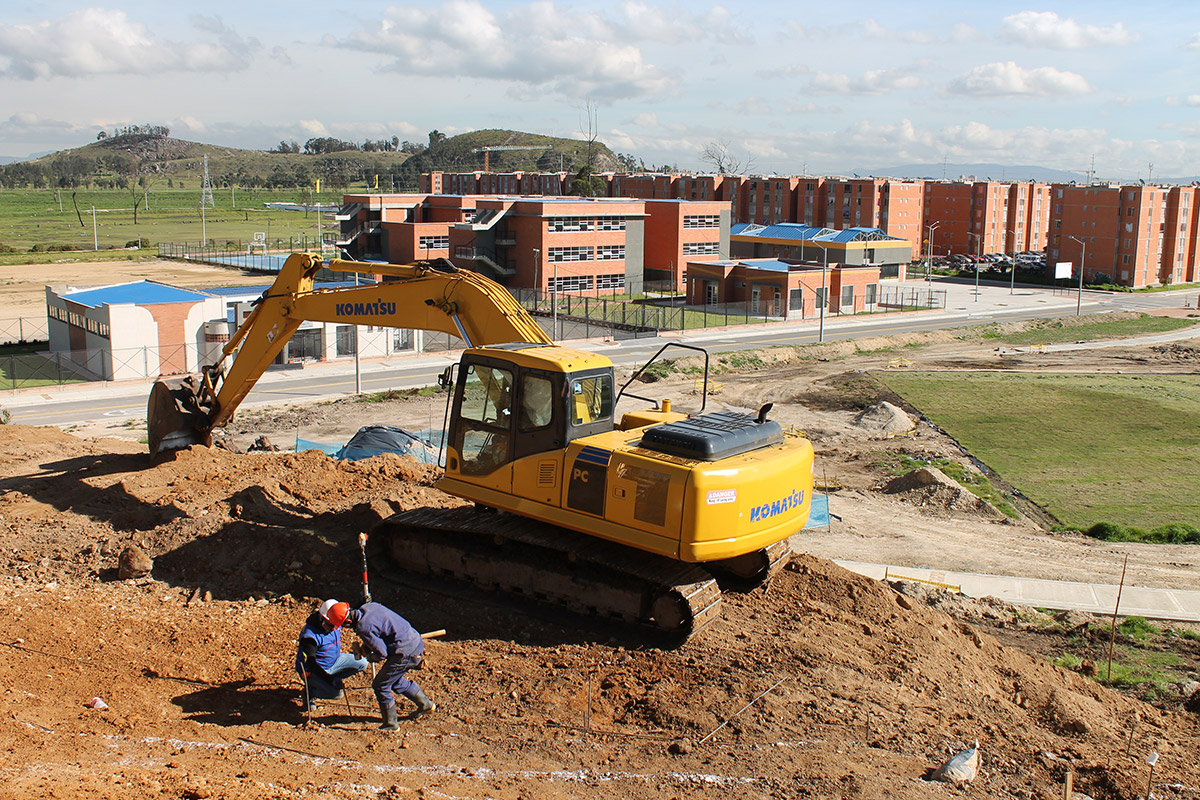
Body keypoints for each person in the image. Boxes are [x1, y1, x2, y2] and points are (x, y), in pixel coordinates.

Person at [345, 601, 436, 731]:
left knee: (380, 684)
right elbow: (380, 631)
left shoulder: (363, 628)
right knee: (393, 680)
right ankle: (426, 704)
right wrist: (367, 646)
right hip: (413, 642)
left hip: (405, 652)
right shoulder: (369, 606)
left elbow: (382, 652)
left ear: (347, 622)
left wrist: (369, 657)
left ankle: (391, 725)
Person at [295, 599, 368, 710]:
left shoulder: (334, 620)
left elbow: (349, 614)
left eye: (337, 625)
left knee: (362, 663)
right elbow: (311, 663)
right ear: (322, 618)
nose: (334, 628)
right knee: (337, 694)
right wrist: (329, 679)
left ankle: (327, 682)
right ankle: (310, 692)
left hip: (335, 660)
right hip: (316, 670)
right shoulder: (310, 638)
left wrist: (362, 601)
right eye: (330, 625)